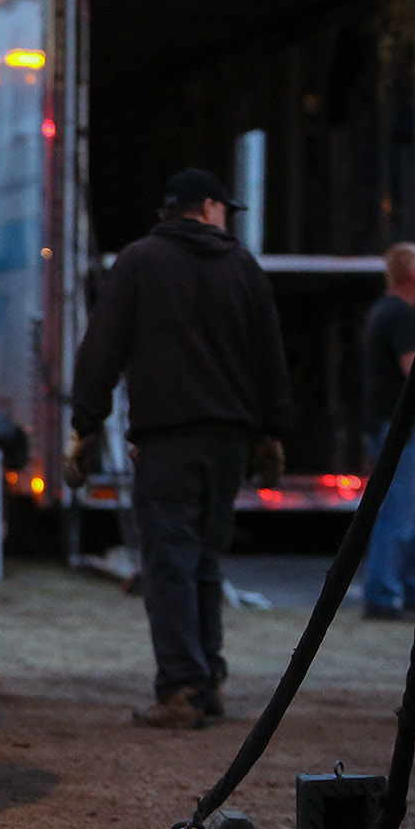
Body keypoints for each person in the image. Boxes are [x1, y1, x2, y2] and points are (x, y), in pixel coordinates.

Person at [69, 168, 292, 729]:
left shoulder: (140, 262)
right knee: (206, 562)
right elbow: (270, 354)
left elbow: (103, 346)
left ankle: (182, 688)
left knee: (168, 561)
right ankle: (207, 676)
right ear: (210, 207)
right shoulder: (243, 267)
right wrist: (272, 430)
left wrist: (85, 423)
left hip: (167, 438)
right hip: (229, 441)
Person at [359, 243, 415, 620]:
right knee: (399, 513)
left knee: (410, 512)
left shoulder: (382, 311)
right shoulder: (400, 316)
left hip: (384, 424)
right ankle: (384, 595)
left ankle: (414, 590)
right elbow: (414, 368)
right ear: (413, 274)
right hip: (397, 426)